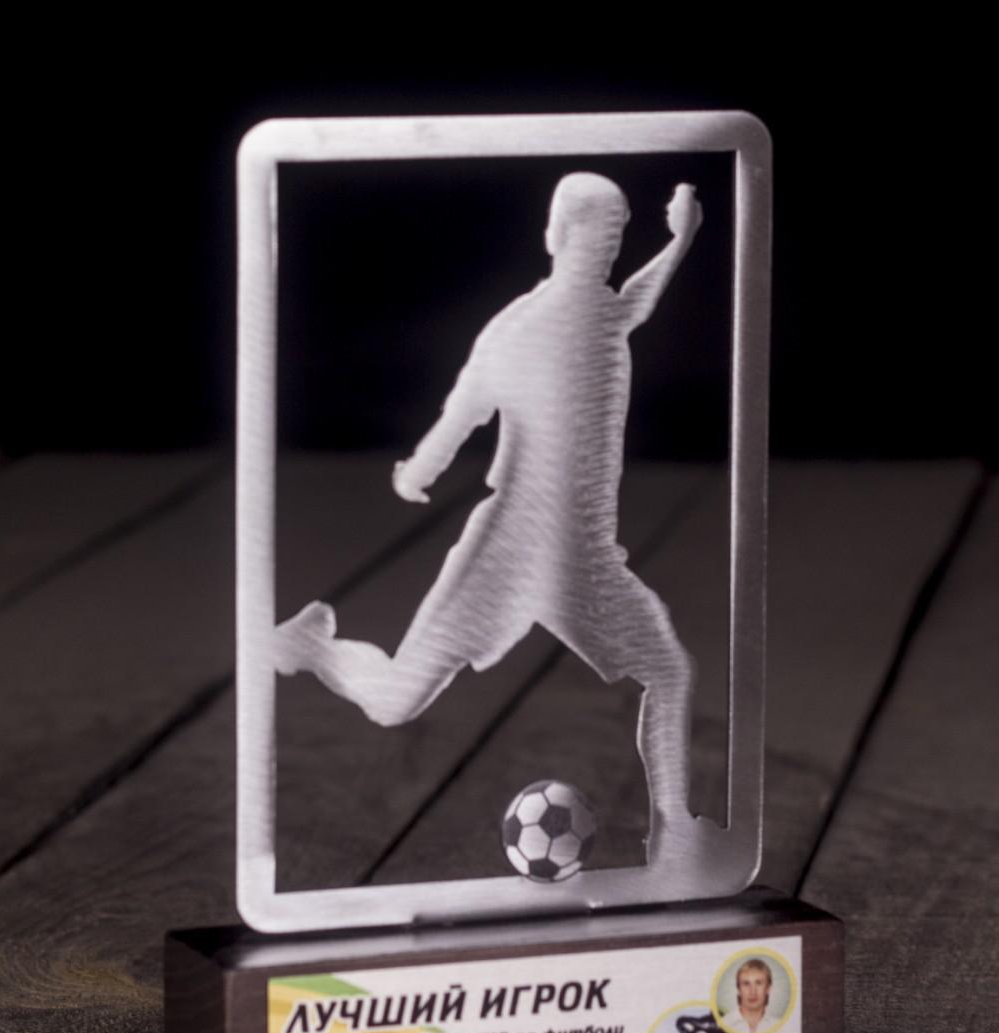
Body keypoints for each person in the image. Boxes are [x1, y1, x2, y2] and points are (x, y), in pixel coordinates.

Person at [273, 172, 708, 859]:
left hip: (586, 562)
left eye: (616, 237)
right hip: (509, 548)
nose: (604, 249)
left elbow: (637, 300)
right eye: (595, 235)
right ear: (556, 236)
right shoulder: (518, 331)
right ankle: (310, 648)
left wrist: (681, 239)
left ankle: (674, 830)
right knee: (394, 702)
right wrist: (419, 469)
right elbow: (464, 410)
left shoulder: (603, 312)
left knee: (669, 671)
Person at [722, 957, 780, 1033]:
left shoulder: (779, 1026)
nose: (753, 992)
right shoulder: (723, 1024)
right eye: (746, 984)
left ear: (768, 988)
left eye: (758, 983)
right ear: (739, 989)